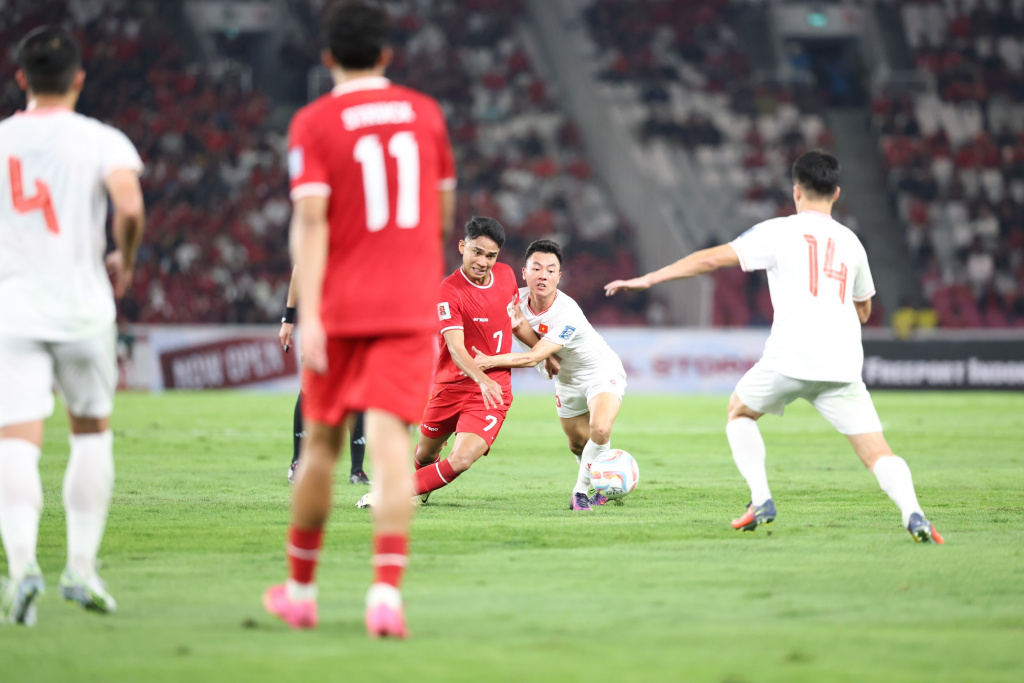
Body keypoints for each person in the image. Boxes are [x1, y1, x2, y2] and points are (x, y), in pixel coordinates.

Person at [605, 150, 944, 544]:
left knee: (739, 413)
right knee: (876, 452)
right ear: (836, 193)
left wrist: (649, 278)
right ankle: (913, 513)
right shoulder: (852, 243)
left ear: (796, 191)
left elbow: (714, 259)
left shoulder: (779, 231)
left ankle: (761, 498)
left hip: (791, 356)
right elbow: (865, 310)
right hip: (842, 363)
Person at [263, 0, 456, 638]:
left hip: (341, 306)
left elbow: (312, 222)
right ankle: (385, 597)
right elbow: (443, 214)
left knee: (320, 443)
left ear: (327, 59)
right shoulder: (425, 115)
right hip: (406, 304)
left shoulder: (313, 122)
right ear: (386, 55)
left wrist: (306, 309)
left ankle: (300, 591)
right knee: (393, 442)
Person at [0, 26, 146, 626]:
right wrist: (126, 258)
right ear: (80, 80)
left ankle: (23, 565)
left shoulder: (3, 136)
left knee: (16, 441)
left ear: (21, 79)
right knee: (91, 434)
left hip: (14, 310)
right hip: (84, 307)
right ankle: (81, 569)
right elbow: (130, 206)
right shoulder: (100, 139)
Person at [356, 216, 543, 510]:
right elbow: (456, 349)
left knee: (461, 458)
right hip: (452, 385)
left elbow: (516, 323)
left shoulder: (507, 276)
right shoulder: (449, 291)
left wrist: (544, 352)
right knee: (425, 455)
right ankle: (419, 486)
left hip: (492, 392)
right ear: (462, 247)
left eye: (490, 255)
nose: (483, 261)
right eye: (477, 252)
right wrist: (481, 376)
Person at [472, 240, 627, 511]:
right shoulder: (513, 300)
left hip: (600, 371)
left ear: (559, 276)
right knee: (577, 444)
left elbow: (533, 357)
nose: (542, 275)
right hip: (566, 379)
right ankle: (602, 479)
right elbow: (488, 312)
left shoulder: (568, 313)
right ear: (524, 273)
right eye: (536, 268)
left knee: (600, 428)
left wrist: (488, 361)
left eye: (550, 270)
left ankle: (580, 493)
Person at [278, 265, 370, 486]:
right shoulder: (323, 234)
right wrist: (288, 319)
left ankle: (357, 470)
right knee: (309, 386)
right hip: (320, 318)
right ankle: (297, 462)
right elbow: (300, 270)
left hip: (355, 319)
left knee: (357, 388)